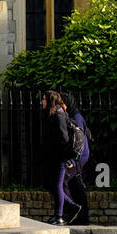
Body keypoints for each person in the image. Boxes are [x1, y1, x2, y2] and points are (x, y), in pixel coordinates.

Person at [40, 89, 80, 226]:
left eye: (44, 99)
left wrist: (67, 158)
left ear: (50, 100)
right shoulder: (52, 114)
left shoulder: (59, 115)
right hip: (53, 156)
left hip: (60, 157)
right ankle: (72, 206)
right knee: (47, 183)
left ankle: (59, 215)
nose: (42, 101)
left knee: (57, 185)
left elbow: (64, 138)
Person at [61, 90, 91, 224]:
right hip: (80, 155)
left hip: (79, 155)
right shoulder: (74, 115)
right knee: (75, 184)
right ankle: (82, 216)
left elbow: (79, 140)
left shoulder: (76, 117)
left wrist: (74, 159)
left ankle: (71, 213)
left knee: (64, 181)